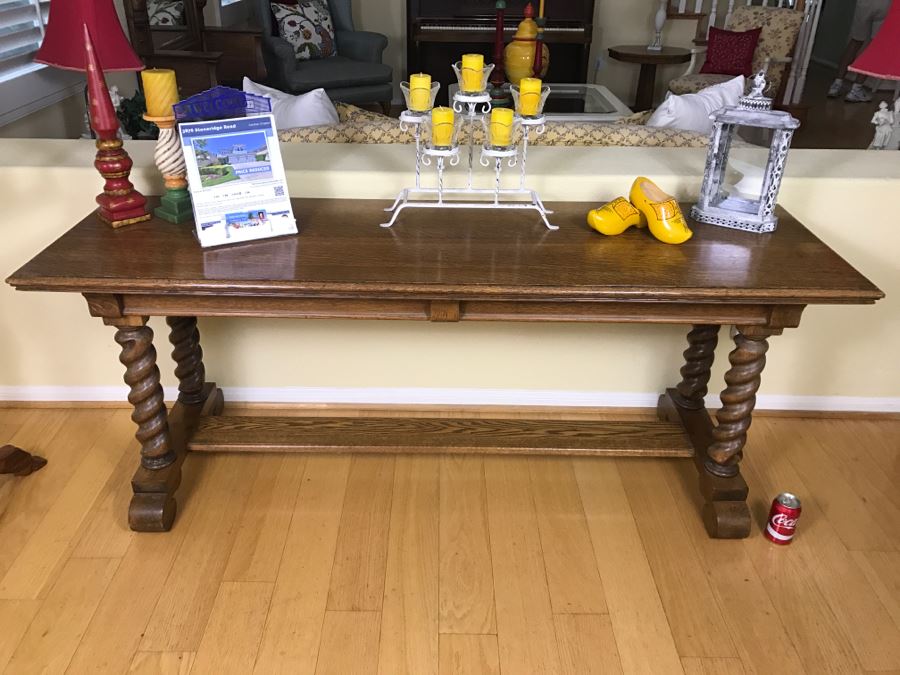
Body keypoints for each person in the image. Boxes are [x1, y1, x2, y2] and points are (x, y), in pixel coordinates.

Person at [827, 0, 891, 102]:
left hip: (865, 3)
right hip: (885, 4)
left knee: (855, 41)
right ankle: (856, 89)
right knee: (873, 47)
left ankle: (836, 84)